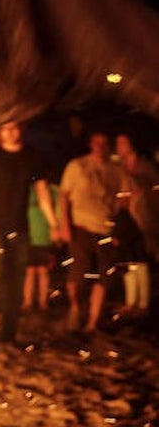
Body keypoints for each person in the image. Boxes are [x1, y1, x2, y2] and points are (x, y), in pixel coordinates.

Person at [0, 121, 59, 346]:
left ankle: (8, 335)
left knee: (16, 283)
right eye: (5, 128)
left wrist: (54, 224)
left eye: (14, 127)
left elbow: (43, 193)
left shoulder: (32, 157)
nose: (10, 132)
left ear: (21, 130)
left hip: (19, 227)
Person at [57, 131, 132, 333]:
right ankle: (75, 307)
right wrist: (63, 224)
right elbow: (64, 197)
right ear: (91, 144)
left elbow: (125, 198)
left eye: (104, 143)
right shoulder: (77, 166)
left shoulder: (116, 170)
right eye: (97, 142)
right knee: (78, 272)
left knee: (104, 276)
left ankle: (92, 322)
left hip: (105, 229)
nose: (100, 146)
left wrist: (118, 224)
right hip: (80, 226)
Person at [114, 132, 158, 315]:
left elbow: (153, 190)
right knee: (128, 261)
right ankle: (131, 302)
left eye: (122, 142)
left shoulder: (145, 167)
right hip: (126, 222)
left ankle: (143, 303)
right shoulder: (118, 168)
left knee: (142, 260)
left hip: (144, 220)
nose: (118, 147)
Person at [23, 181, 60, 315]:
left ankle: (43, 303)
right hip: (29, 238)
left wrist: (57, 230)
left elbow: (59, 211)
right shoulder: (28, 190)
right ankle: (27, 303)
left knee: (43, 271)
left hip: (45, 237)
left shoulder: (54, 190)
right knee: (30, 271)